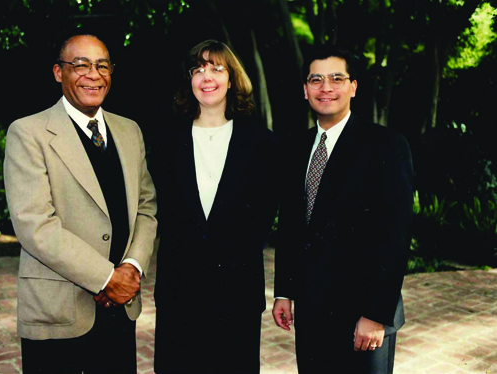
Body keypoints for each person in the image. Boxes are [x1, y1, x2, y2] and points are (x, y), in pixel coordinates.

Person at [4, 34, 157, 374]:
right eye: (81, 65)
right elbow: (35, 225)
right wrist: (106, 278)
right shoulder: (28, 133)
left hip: (120, 309)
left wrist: (131, 268)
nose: (94, 74)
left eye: (102, 65)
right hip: (59, 313)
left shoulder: (129, 131)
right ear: (59, 72)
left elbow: (147, 207)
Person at [272, 45, 413, 374]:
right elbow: (293, 226)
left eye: (337, 78)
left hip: (363, 318)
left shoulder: (385, 145)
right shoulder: (295, 147)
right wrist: (284, 292)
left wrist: (376, 313)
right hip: (311, 313)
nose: (326, 88)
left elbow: (396, 234)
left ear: (353, 86)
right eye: (316, 79)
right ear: (305, 90)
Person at [151, 39, 279, 374]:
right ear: (189, 80)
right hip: (178, 290)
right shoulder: (166, 141)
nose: (206, 77)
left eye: (216, 68)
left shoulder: (261, 142)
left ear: (232, 79)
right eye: (198, 69)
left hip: (236, 292)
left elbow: (263, 217)